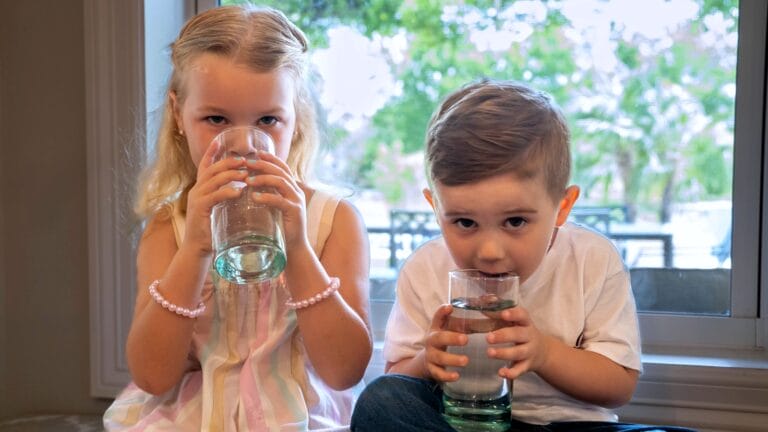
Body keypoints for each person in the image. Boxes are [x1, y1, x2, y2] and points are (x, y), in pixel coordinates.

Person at [350, 80, 695, 432]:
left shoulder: (592, 258)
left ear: (562, 207)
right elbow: (398, 374)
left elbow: (619, 385)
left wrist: (544, 353)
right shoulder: (424, 268)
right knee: (381, 401)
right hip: (463, 421)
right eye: (464, 222)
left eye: (515, 221)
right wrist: (427, 361)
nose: (489, 252)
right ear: (435, 208)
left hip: (573, 427)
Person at [104, 5, 372, 431]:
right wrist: (193, 250)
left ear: (295, 120)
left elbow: (345, 371)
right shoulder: (168, 228)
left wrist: (298, 248)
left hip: (299, 414)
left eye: (268, 120)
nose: (245, 146)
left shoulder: (333, 221)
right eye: (216, 119)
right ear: (178, 115)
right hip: (194, 414)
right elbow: (152, 375)